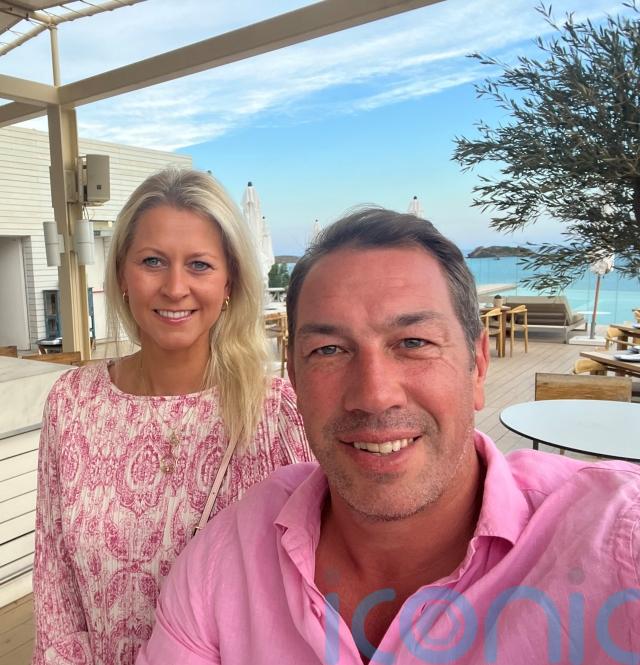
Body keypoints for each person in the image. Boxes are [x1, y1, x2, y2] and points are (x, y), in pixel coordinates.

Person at [136, 208, 640, 665]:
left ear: (478, 364)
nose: (374, 395)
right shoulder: (230, 558)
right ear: (293, 378)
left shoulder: (614, 542)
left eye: (413, 342)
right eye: (329, 350)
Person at [31, 168, 313, 665]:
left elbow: (310, 594)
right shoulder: (73, 403)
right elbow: (57, 592)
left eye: (199, 265)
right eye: (153, 261)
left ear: (229, 281)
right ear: (122, 275)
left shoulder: (276, 414)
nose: (175, 287)